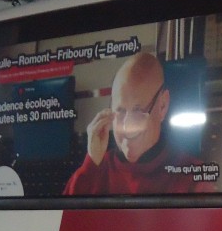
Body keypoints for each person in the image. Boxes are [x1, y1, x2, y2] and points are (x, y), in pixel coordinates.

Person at [63, 52, 213, 195]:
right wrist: (91, 164)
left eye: (138, 110)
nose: (127, 127)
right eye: (120, 111)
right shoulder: (96, 171)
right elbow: (62, 219)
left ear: (162, 106)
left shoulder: (193, 177)